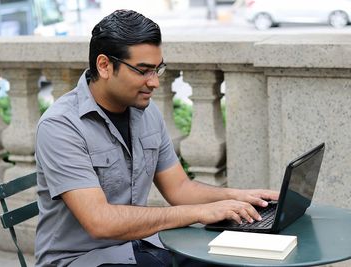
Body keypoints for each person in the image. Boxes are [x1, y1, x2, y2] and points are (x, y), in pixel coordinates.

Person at [34, 9, 279, 267]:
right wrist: (199, 212)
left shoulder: (146, 113)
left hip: (141, 246)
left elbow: (180, 189)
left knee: (235, 260)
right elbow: (100, 222)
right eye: (143, 70)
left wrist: (239, 198)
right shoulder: (61, 126)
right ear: (104, 66)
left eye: (158, 70)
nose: (155, 83)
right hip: (80, 260)